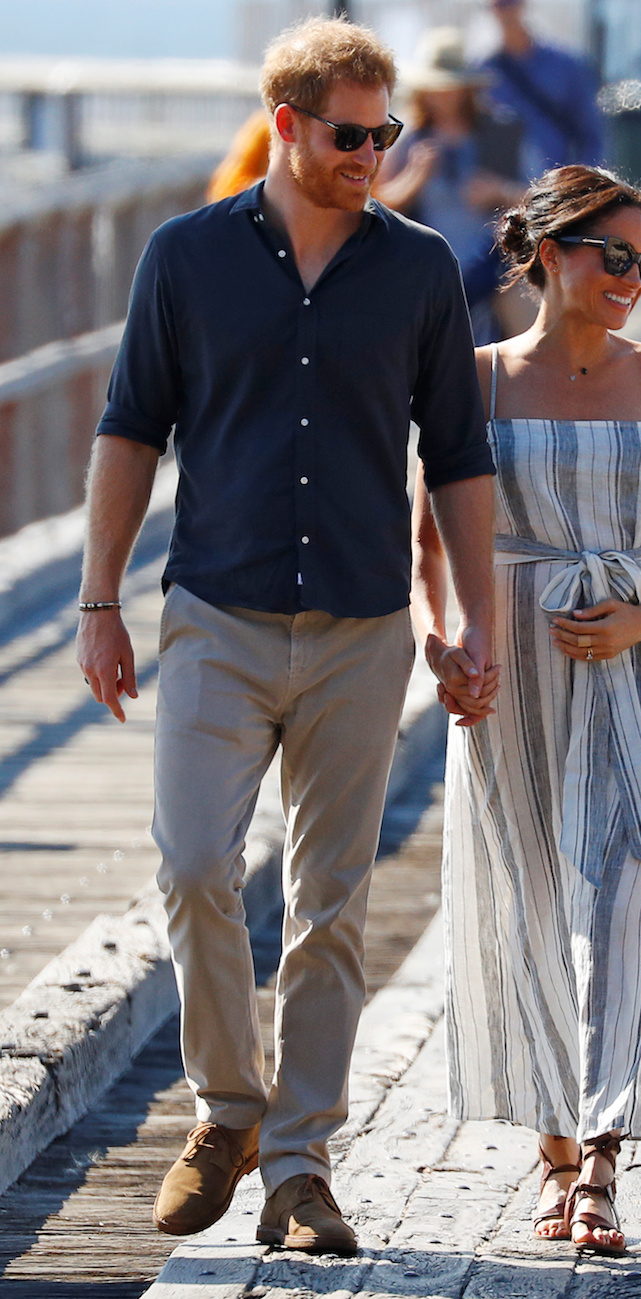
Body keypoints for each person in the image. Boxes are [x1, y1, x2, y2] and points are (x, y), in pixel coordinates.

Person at [76, 16, 495, 1257]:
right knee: (196, 865)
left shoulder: (418, 269)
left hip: (363, 628)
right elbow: (128, 428)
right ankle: (225, 1111)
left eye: (389, 133)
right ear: (288, 125)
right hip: (217, 614)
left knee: (330, 906)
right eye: (352, 135)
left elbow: (459, 457)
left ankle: (300, 1170)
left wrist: (467, 618)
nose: (374, 154)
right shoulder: (186, 257)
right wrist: (99, 602)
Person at [411, 165, 641, 1253]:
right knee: (524, 900)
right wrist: (441, 640)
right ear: (550, 252)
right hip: (509, 665)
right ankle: (553, 1143)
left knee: (627, 895)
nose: (634, 280)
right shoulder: (477, 379)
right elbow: (429, 545)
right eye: (615, 257)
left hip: (637, 664)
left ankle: (600, 1157)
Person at [373, 26, 525, 341]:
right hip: (424, 279)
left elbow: (542, 198)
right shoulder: (408, 137)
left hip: (493, 273)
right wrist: (415, 178)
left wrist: (500, 191)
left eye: (451, 87)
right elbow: (377, 205)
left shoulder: (502, 133)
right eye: (435, 87)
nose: (443, 95)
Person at [479, 0, 605, 180]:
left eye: (510, 2)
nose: (506, 11)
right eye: (499, 4)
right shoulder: (481, 71)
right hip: (503, 196)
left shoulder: (566, 65)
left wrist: (583, 187)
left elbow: (592, 136)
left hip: (558, 188)